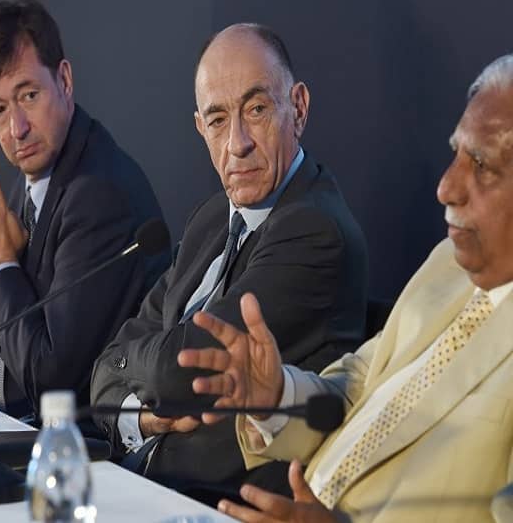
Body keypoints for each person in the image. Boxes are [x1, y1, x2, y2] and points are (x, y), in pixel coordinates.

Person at [178, 53, 513, 523]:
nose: (446, 187)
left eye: (481, 164)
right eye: (456, 154)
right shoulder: (448, 263)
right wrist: (276, 397)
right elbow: (358, 384)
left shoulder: (315, 226)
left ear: (298, 107)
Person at [90, 23, 368, 494]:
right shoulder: (213, 217)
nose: (237, 143)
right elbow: (102, 374)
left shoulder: (314, 229)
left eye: (256, 110)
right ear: (201, 129)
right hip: (144, 480)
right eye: (218, 120)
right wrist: (146, 415)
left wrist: (139, 364)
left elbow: (176, 371)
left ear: (298, 108)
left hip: (215, 500)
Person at [0, 0, 169, 419]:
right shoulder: (28, 184)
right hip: (19, 427)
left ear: (65, 81)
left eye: (29, 95)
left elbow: (50, 380)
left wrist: (0, 266)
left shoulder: (98, 195)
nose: (17, 128)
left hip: (87, 443)